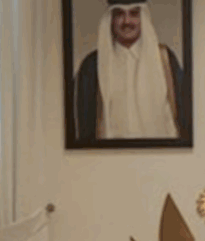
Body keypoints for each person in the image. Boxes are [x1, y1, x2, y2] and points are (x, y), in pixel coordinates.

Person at [74, 0, 187, 142]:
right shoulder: (91, 66)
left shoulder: (165, 60)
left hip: (161, 153)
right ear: (111, 19)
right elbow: (84, 128)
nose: (127, 21)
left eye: (134, 14)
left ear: (143, 18)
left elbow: (184, 119)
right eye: (119, 14)